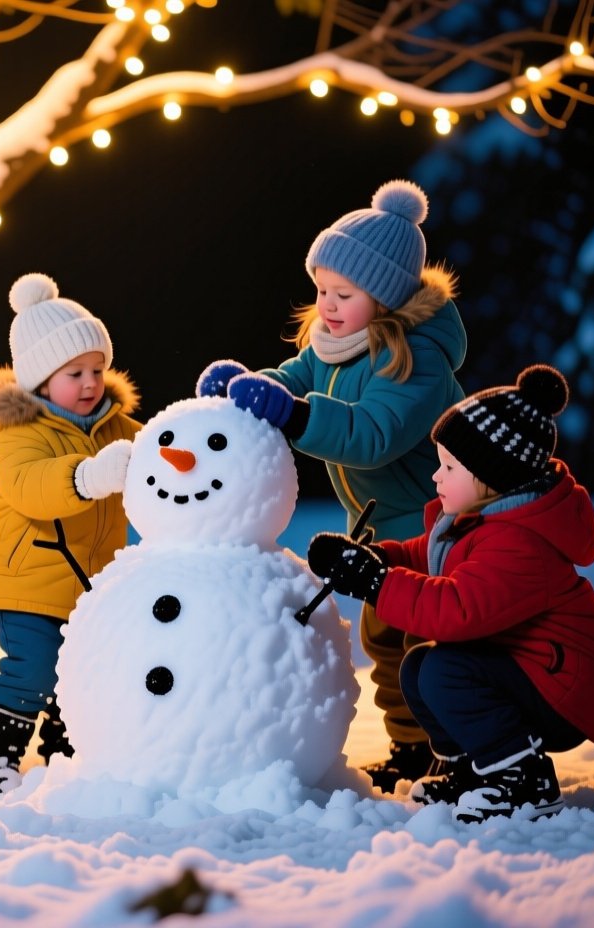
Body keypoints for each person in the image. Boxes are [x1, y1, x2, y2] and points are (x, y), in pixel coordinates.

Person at [197, 179, 468, 792]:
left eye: (344, 292)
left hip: (434, 529)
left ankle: (457, 750)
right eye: (321, 289)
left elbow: (370, 433)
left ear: (389, 296)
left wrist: (291, 413)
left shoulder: (416, 360)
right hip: (379, 528)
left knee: (427, 640)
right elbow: (291, 376)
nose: (327, 304)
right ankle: (413, 750)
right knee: (384, 639)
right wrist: (245, 384)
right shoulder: (332, 344)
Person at [308, 364, 594, 822]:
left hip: (564, 687)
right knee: (419, 667)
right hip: (528, 669)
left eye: (449, 467)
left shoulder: (519, 544)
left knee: (442, 669)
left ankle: (525, 779)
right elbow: (425, 558)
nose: (436, 477)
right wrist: (377, 558)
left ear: (492, 477)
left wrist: (375, 582)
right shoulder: (482, 522)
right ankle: (474, 771)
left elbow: (457, 611)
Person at [0, 272, 141, 794]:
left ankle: (69, 760)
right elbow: (28, 486)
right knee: (33, 670)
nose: (90, 383)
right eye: (74, 373)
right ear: (40, 380)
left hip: (94, 583)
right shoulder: (18, 431)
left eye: (96, 369)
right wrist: (87, 477)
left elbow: (163, 455)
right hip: (30, 575)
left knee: (84, 674)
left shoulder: (117, 427)